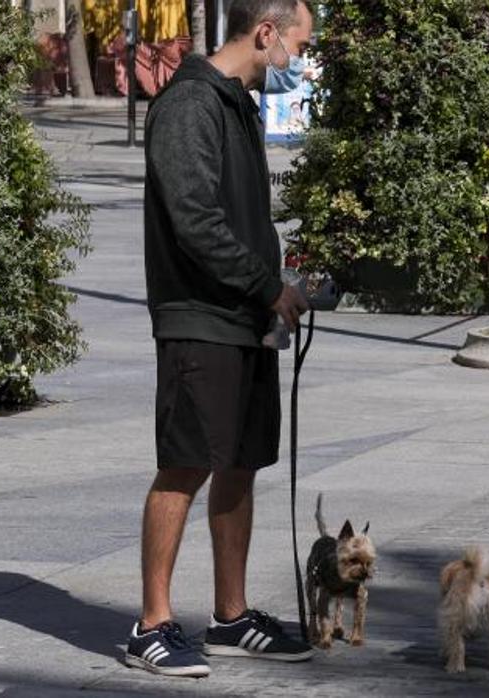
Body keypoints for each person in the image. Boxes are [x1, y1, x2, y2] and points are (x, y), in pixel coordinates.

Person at [125, 0, 314, 677]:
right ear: (265, 33)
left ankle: (230, 618)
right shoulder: (189, 105)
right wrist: (266, 287)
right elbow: (196, 221)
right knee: (187, 460)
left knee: (240, 459)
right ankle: (151, 624)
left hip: (244, 317)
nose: (297, 59)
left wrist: (278, 279)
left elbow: (237, 216)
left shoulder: (237, 104)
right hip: (198, 316)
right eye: (296, 44)